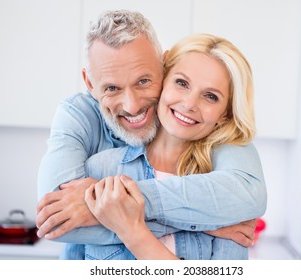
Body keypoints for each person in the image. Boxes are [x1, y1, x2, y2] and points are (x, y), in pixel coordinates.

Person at [36, 10, 266, 258]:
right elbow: (57, 220)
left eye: (143, 81)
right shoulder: (93, 153)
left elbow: (248, 194)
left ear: (162, 67)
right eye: (112, 88)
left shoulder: (219, 162)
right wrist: (206, 223)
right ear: (90, 84)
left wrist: (124, 211)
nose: (132, 106)